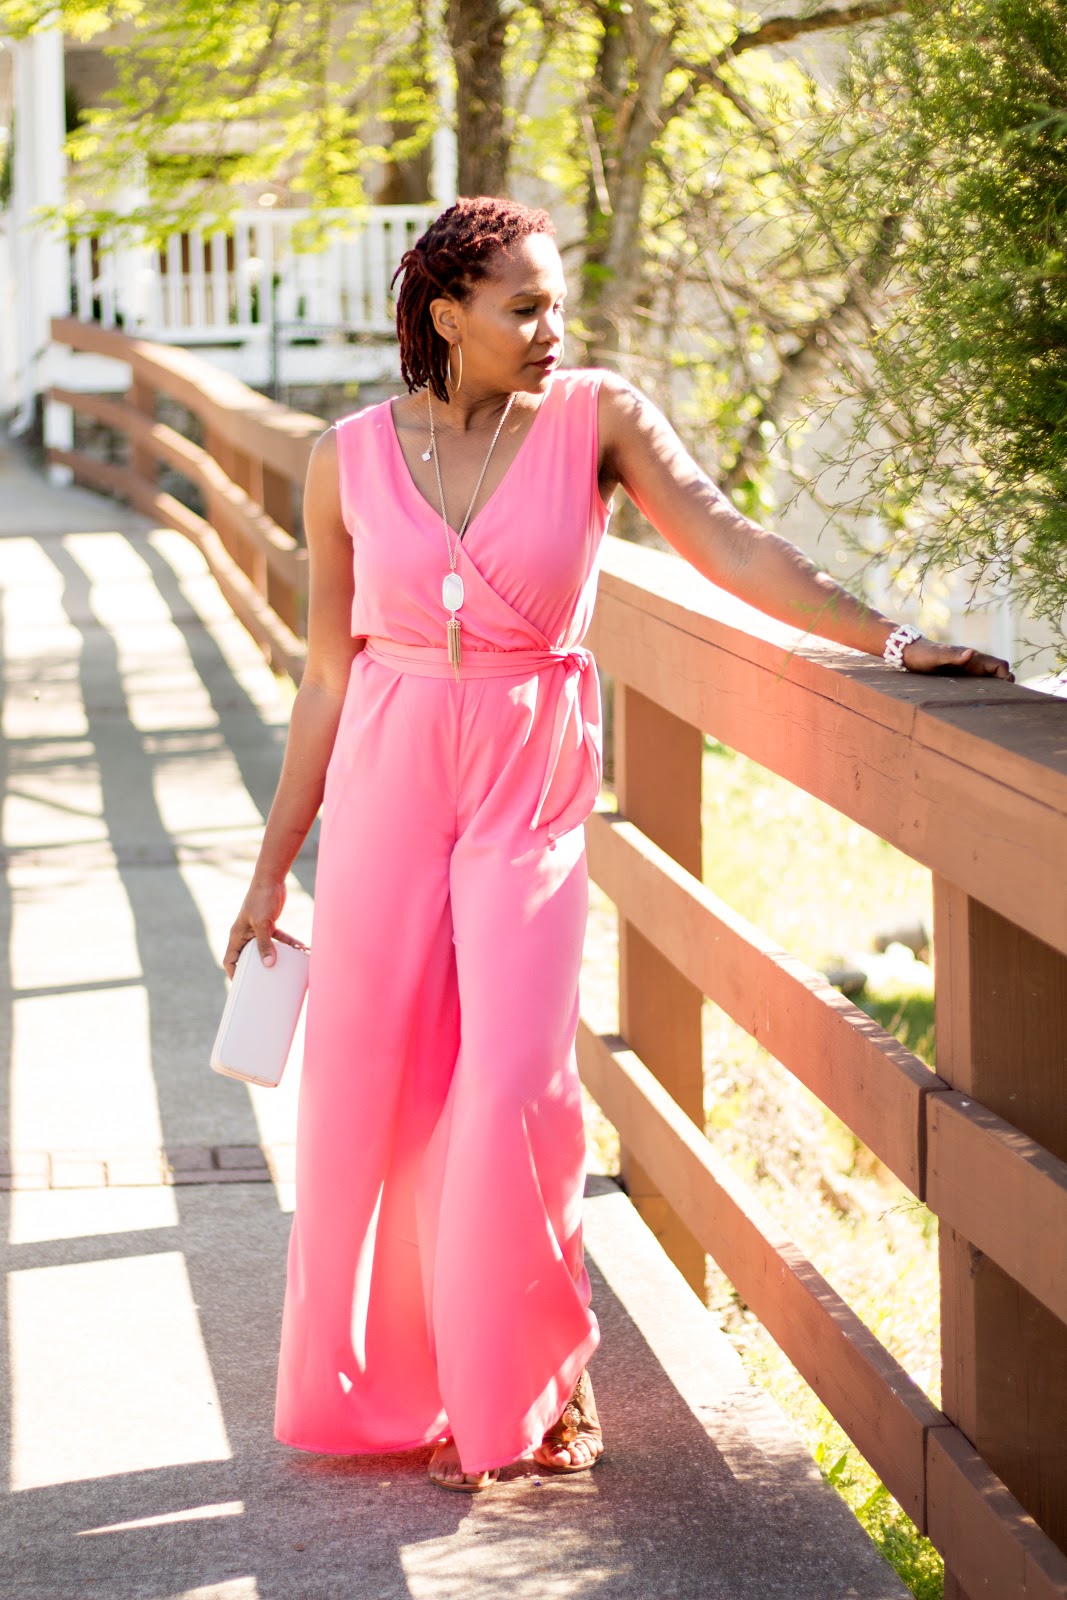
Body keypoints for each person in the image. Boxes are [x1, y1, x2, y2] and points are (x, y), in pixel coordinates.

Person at [223, 194, 1014, 1495]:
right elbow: (324, 676)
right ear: (447, 317)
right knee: (375, 1089)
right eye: (524, 306)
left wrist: (890, 638)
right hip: (387, 781)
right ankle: (411, 1389)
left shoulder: (597, 420)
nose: (555, 328)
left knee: (513, 1083)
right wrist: (272, 873)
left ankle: (524, 1394)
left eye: (560, 302)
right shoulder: (345, 459)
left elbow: (730, 543)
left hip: (528, 777)